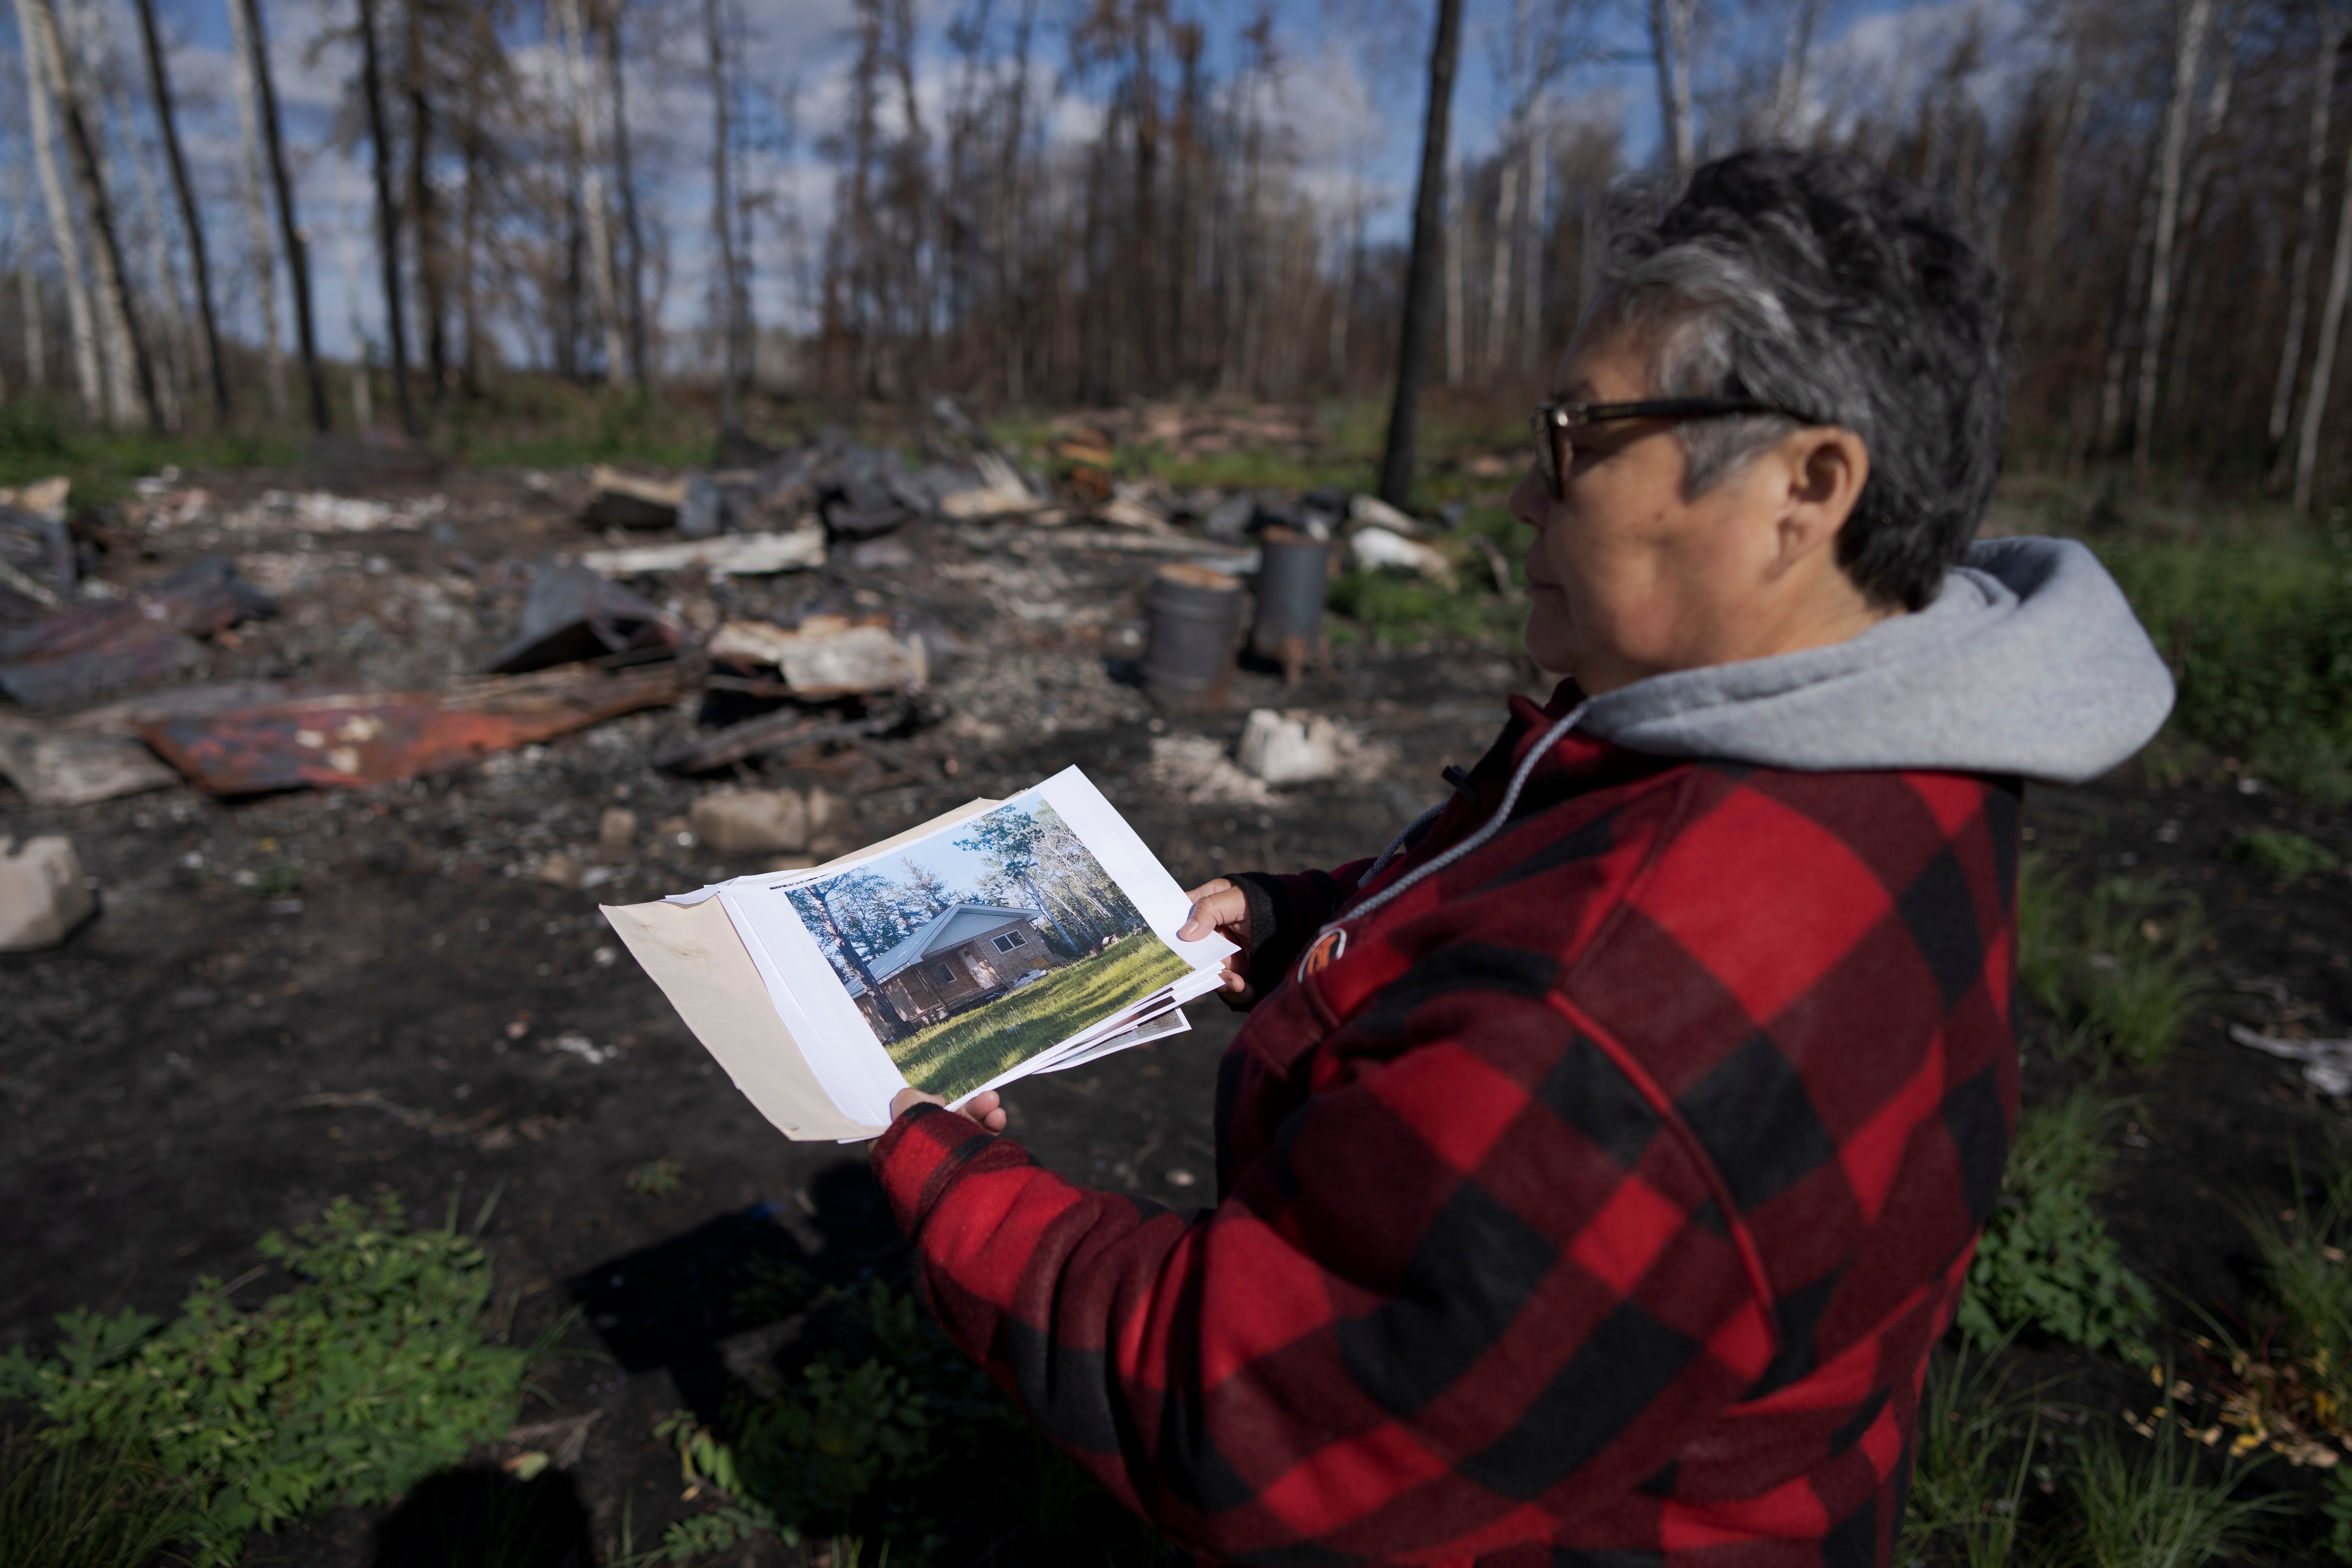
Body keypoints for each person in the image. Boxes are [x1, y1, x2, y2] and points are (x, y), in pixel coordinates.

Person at [869, 149, 2174, 1566]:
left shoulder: (1639, 1019)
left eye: (1578, 438)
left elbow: (1250, 1418)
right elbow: (1534, 879)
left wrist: (937, 1172)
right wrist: (1308, 918)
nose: (1523, 503)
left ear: (1805, 489)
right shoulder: (1886, 730)